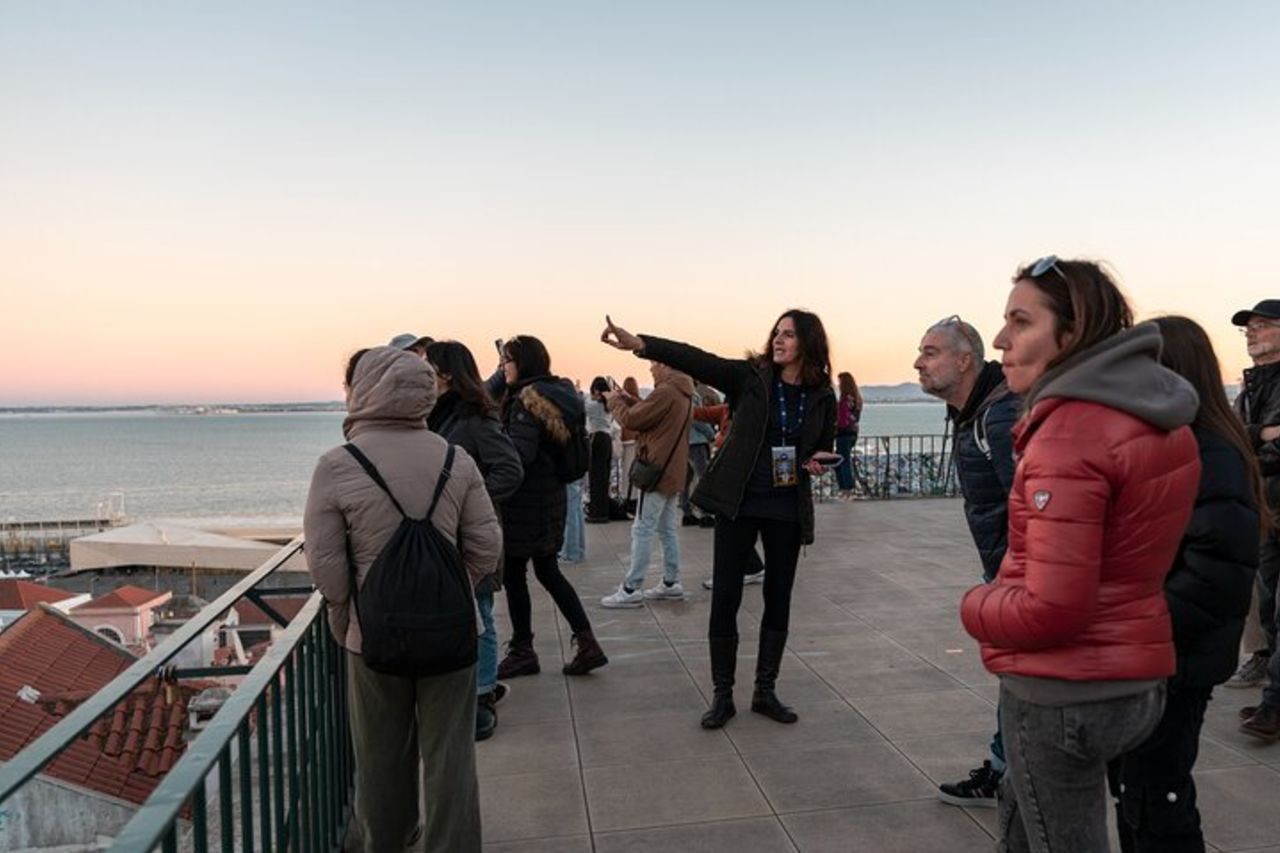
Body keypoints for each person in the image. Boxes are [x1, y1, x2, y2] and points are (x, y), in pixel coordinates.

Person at [960, 256, 1201, 853]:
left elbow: (1054, 607)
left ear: (1071, 334)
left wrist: (976, 605)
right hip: (1135, 676)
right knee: (1023, 816)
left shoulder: (1071, 434)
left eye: (1021, 321)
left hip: (1065, 692)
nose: (1001, 339)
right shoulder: (1151, 416)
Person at [304, 346, 501, 852]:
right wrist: (447, 588)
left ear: (364, 391)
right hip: (452, 629)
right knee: (451, 754)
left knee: (380, 754)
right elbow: (486, 547)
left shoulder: (337, 464)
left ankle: (389, 839)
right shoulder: (455, 458)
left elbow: (326, 565)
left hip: (373, 634)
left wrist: (347, 615)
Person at [601, 310, 836, 729]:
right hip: (738, 502)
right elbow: (697, 358)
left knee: (778, 597)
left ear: (809, 342)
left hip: (786, 506)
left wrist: (817, 462)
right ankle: (722, 695)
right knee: (726, 596)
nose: (778, 339)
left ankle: (765, 691)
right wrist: (641, 344)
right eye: (776, 332)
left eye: (789, 334)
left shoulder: (821, 395)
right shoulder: (751, 377)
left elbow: (823, 444)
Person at [1105, 315, 1262, 852]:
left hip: (1175, 659)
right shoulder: (1168, 443)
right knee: (1136, 793)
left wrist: (1132, 623)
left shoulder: (1207, 451)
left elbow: (1215, 577)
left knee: (1159, 801)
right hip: (1150, 653)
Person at [914, 314, 1020, 807]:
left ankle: (1007, 774)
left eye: (930, 352)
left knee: (1020, 678)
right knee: (1015, 678)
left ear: (964, 361)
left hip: (1018, 574)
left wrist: (1014, 579)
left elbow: (1030, 507)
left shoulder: (998, 417)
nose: (918, 363)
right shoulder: (978, 412)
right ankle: (1004, 767)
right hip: (1006, 568)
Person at [425, 340, 523, 742]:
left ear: (447, 375)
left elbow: (510, 470)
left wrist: (467, 498)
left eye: (429, 369)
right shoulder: (434, 417)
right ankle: (464, 688)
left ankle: (483, 694)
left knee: (480, 612)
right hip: (443, 535)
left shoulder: (475, 419)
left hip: (473, 533)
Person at [494, 335, 608, 679]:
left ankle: (523, 650)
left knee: (515, 575)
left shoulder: (525, 402)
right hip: (552, 497)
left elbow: (520, 455)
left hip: (525, 504)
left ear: (523, 362)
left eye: (507, 361)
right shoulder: (561, 393)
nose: (503, 367)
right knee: (548, 571)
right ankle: (587, 642)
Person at [600, 361, 694, 607]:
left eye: (653, 365)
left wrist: (615, 401)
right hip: (673, 470)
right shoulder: (683, 391)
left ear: (664, 365)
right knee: (667, 529)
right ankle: (671, 581)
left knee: (642, 528)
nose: (651, 370)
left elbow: (632, 420)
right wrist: (630, 399)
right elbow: (653, 414)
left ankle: (631, 588)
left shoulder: (666, 391)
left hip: (656, 471)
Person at [1229, 299, 1280, 740]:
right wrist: (1256, 434)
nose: (1251, 332)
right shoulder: (1251, 387)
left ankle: (1275, 704)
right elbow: (1231, 440)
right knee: (1267, 608)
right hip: (1265, 507)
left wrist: (1250, 445)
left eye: (1262, 325)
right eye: (1248, 327)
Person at [585, 377, 614, 523]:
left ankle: (596, 513)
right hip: (608, 439)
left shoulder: (593, 406)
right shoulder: (609, 406)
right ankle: (604, 511)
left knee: (595, 477)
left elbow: (580, 408)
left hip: (597, 439)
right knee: (604, 477)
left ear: (596, 391)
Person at [834, 372, 863, 500]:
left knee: (842, 461)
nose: (839, 385)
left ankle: (846, 490)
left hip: (843, 434)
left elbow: (841, 420)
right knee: (841, 460)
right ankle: (846, 489)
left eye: (840, 382)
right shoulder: (857, 399)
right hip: (852, 434)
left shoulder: (845, 400)